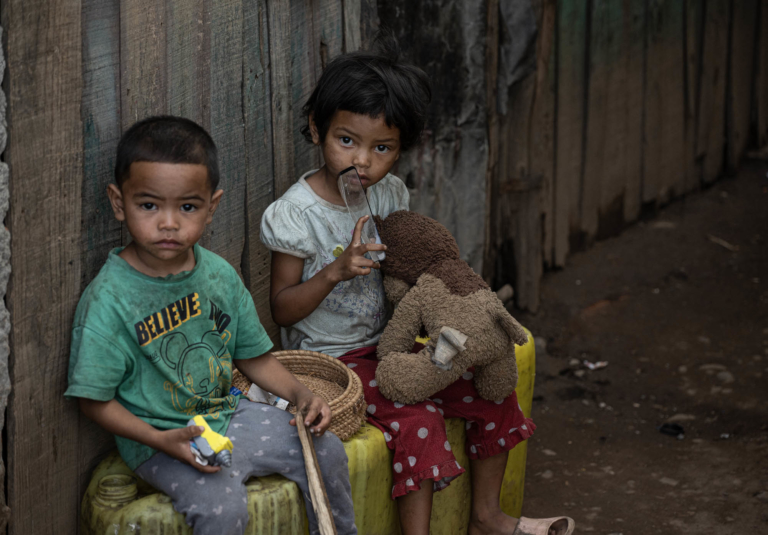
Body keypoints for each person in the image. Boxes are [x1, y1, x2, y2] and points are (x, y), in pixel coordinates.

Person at [261, 35, 574, 535]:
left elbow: (410, 271)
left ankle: (487, 518)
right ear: (317, 128)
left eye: (382, 148)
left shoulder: (388, 194)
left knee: (492, 388)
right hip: (334, 362)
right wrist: (334, 272)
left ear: (401, 149)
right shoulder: (296, 214)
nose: (363, 161)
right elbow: (281, 308)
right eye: (347, 141)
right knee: (418, 419)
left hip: (395, 346)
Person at [65, 116, 357, 535]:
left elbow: (253, 358)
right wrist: (159, 440)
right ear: (118, 202)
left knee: (326, 450)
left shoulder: (218, 276)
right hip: (161, 439)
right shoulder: (110, 300)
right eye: (149, 205)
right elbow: (93, 401)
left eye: (187, 207)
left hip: (229, 414)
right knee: (223, 511)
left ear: (211, 206)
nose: (169, 223)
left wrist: (301, 394)